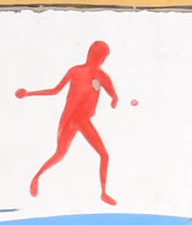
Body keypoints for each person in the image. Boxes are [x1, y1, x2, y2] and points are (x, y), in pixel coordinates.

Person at [20, 39, 120, 202]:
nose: (100, 60)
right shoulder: (79, 72)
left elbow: (113, 95)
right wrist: (29, 93)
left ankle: (103, 192)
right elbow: (55, 90)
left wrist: (112, 99)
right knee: (68, 153)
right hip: (73, 118)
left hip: (77, 119)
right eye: (101, 57)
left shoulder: (99, 76)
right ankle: (37, 177)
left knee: (97, 154)